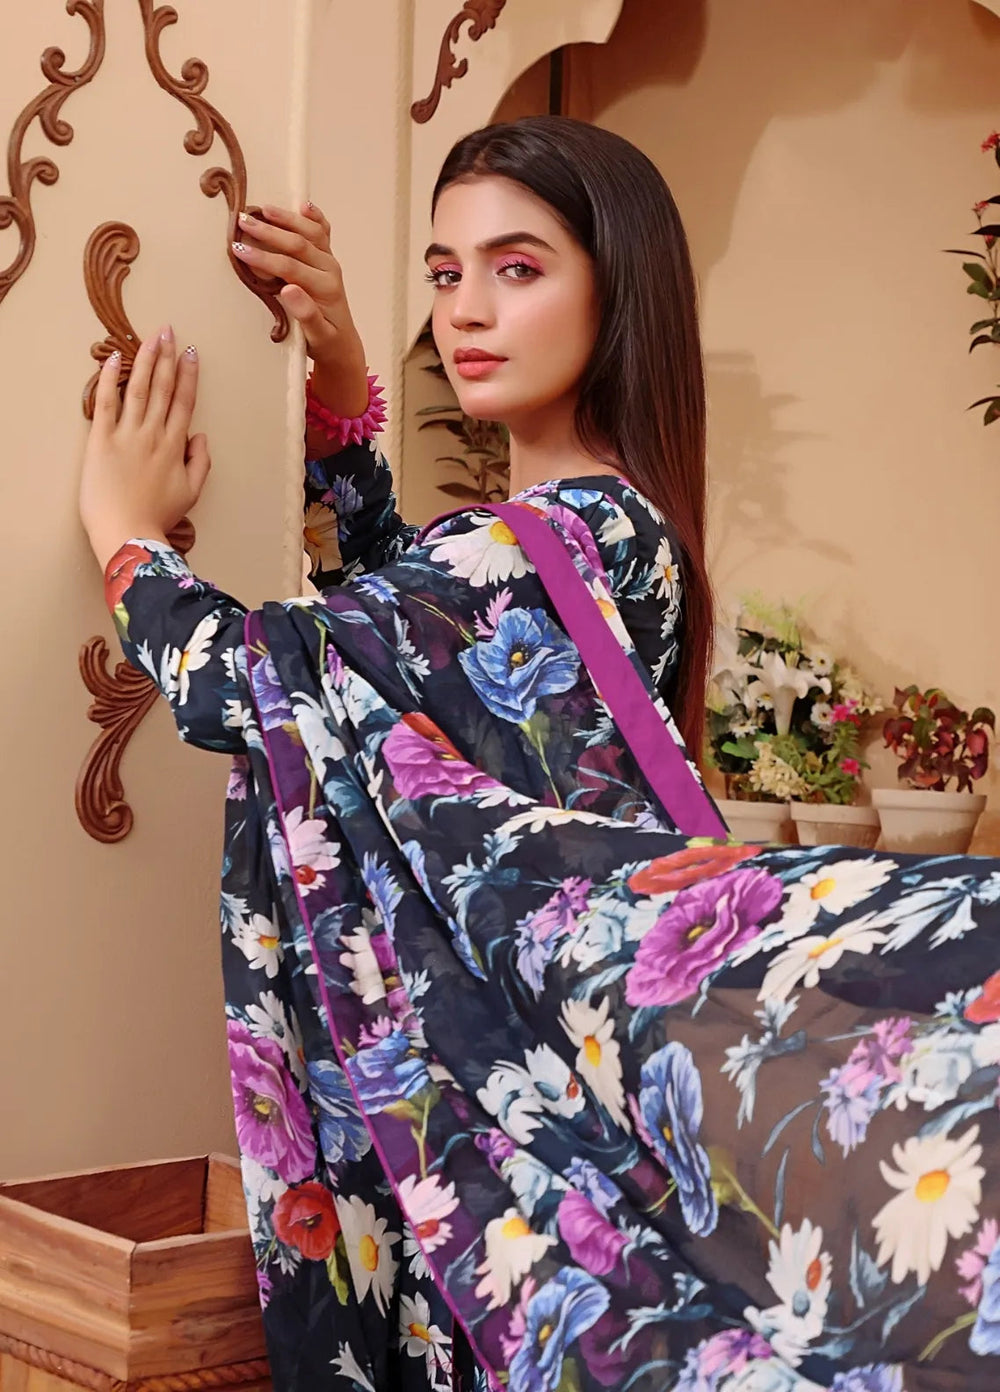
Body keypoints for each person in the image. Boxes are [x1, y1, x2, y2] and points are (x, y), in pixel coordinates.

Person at [78, 116, 999, 1392]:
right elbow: (411, 658)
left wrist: (124, 530)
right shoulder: (619, 530)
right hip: (571, 1078)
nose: (466, 308)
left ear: (616, 292)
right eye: (445, 271)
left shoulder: (537, 541)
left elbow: (248, 676)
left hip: (524, 1083)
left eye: (517, 268)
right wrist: (343, 398)